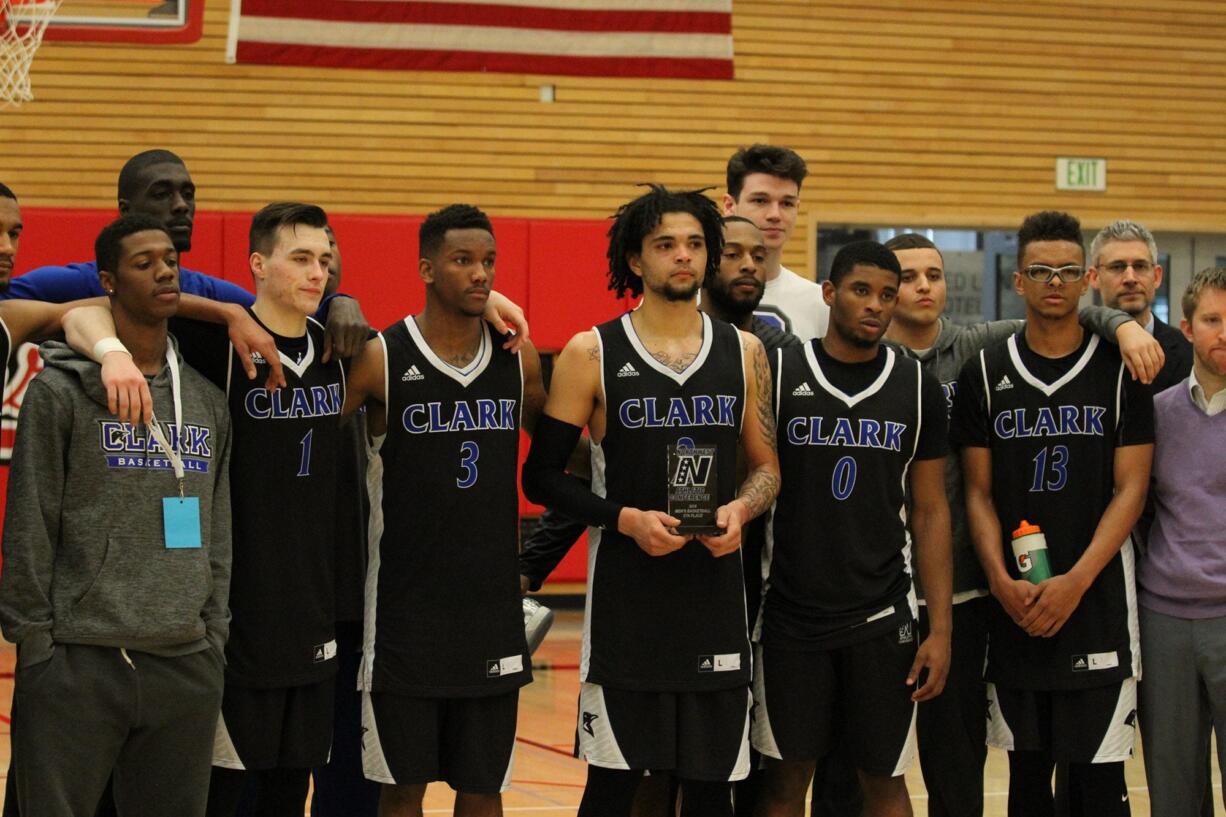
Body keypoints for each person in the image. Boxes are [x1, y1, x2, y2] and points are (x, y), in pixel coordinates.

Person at [881, 232, 1162, 817]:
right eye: (905, 277)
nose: (923, 286)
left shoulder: (978, 347)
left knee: (973, 776)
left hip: (970, 597)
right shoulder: (859, 360)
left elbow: (1062, 304)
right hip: (881, 596)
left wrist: (1127, 324)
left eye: (933, 274)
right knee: (864, 771)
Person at [522, 185, 781, 817]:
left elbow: (769, 468)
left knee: (711, 791)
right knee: (613, 789)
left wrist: (742, 509)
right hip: (626, 612)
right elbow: (541, 478)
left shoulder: (745, 352)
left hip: (716, 604)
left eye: (695, 244)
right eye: (665, 245)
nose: (683, 257)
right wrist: (624, 519)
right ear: (636, 260)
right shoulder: (591, 352)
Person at [0, 214, 233, 817]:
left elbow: (218, 530)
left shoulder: (206, 400)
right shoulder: (60, 394)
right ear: (106, 281)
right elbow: (30, 524)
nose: (164, 270)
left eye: (170, 260)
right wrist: (36, 645)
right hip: (78, 660)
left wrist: (212, 634)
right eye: (143, 262)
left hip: (184, 661)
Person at [343, 204, 547, 817]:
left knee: (483, 790)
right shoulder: (382, 356)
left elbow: (566, 460)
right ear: (427, 269)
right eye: (463, 261)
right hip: (405, 616)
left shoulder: (519, 360)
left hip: (490, 614)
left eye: (488, 262)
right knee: (402, 789)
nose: (479, 273)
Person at [952, 211, 1153, 817]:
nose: (1055, 282)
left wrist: (1075, 582)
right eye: (1041, 271)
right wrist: (998, 580)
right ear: (1019, 281)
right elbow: (978, 494)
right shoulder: (984, 372)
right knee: (1026, 786)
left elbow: (1131, 490)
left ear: (1088, 278)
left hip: (1097, 606)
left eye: (1068, 270)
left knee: (1099, 788)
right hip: (1014, 605)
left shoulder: (1121, 371)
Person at [753, 241, 951, 817]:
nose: (876, 306)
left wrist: (940, 629)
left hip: (882, 615)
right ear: (830, 294)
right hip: (791, 613)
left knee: (884, 781)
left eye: (887, 296)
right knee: (785, 782)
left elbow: (932, 511)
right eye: (862, 291)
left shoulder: (917, 387)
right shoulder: (781, 370)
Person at [4, 149, 372, 362]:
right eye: (162, 194)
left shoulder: (213, 293)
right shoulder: (76, 282)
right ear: (126, 210)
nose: (181, 206)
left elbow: (297, 323)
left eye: (188, 194)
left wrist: (339, 301)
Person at [1136, 267, 1226, 817]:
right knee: (1173, 791)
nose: (1225, 332)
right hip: (1164, 621)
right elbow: (1139, 509)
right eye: (1213, 320)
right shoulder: (1157, 414)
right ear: (1187, 329)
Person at [309, 223, 381, 817]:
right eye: (303, 254)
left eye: (329, 253)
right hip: (273, 600)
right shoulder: (244, 340)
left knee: (352, 778)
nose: (320, 264)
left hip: (355, 593)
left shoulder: (369, 350)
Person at [723, 144, 828, 341]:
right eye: (760, 201)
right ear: (730, 205)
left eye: (786, 203)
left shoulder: (819, 304)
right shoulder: (694, 297)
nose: (775, 215)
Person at [1087, 219, 1192, 394]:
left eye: (1140, 266)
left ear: (1157, 276)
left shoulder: (1188, 351)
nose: (1130, 278)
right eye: (1117, 267)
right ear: (1094, 277)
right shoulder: (1077, 346)